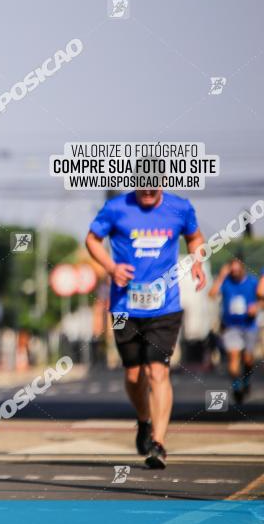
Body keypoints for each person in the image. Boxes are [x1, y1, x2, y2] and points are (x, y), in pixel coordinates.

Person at [86, 189, 206, 469]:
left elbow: (195, 237)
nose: (149, 192)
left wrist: (197, 261)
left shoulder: (180, 208)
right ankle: (143, 419)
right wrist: (111, 267)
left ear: (162, 183)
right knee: (132, 374)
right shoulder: (116, 208)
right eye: (143, 187)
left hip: (165, 306)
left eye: (154, 186)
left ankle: (158, 443)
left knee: (157, 371)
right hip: (122, 308)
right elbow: (92, 239)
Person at [209, 254, 258, 403]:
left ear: (243, 268)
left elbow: (261, 298)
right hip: (231, 327)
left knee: (248, 360)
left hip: (249, 325)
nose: (235, 272)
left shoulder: (252, 282)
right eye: (232, 269)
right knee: (233, 359)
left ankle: (247, 380)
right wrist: (221, 276)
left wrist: (256, 307)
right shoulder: (226, 282)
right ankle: (237, 387)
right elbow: (211, 294)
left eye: (237, 269)